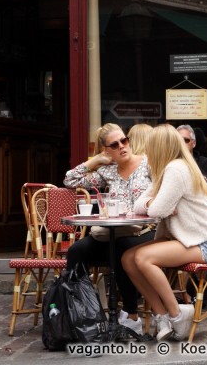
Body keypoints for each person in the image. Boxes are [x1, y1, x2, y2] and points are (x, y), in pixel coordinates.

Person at [122, 124, 207, 342]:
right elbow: (139, 205)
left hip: (204, 243)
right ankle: (161, 315)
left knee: (143, 257)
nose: (147, 152)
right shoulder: (167, 169)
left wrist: (155, 204)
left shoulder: (177, 169)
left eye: (151, 147)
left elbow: (157, 211)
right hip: (185, 240)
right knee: (128, 258)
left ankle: (177, 314)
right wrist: (152, 202)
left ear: (159, 147)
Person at [63, 123, 154, 335]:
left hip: (146, 230)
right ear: (107, 150)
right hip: (114, 231)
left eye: (125, 140)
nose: (122, 146)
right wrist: (94, 161)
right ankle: (81, 312)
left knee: (121, 250)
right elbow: (69, 180)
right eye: (115, 144)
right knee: (76, 250)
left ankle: (131, 314)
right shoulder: (108, 172)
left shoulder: (147, 164)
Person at [176, 124, 207, 191]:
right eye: (178, 140)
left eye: (186, 140)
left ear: (194, 143)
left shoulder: (206, 164)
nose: (182, 143)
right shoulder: (169, 163)